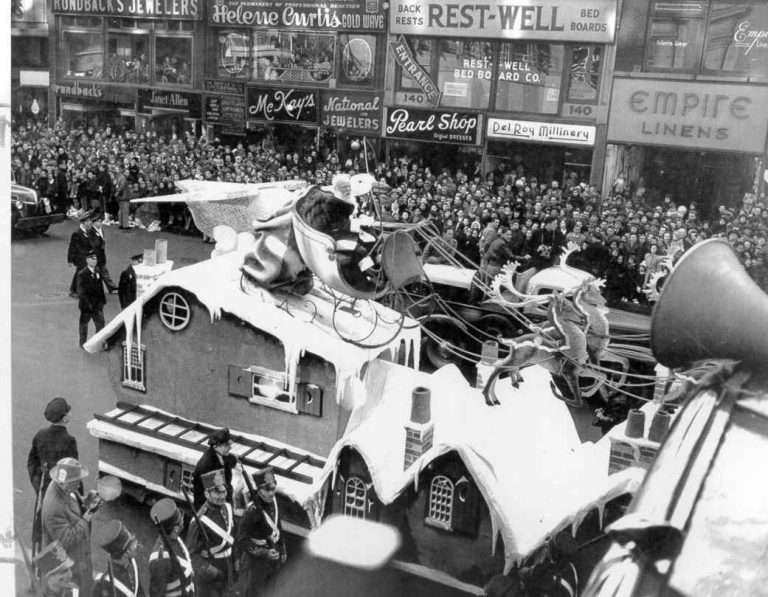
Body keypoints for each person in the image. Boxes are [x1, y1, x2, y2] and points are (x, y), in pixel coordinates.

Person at [41, 458, 99, 596]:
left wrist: (85, 501)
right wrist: (86, 517)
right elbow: (66, 540)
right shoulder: (54, 507)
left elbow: (73, 498)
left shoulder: (63, 486)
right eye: (76, 481)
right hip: (64, 570)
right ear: (66, 483)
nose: (79, 484)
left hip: (76, 560)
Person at [236, 467, 286, 597]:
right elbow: (242, 541)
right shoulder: (251, 511)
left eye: (273, 488)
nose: (271, 493)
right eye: (267, 490)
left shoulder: (273, 503)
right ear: (258, 490)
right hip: (254, 565)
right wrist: (264, 553)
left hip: (272, 562)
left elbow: (277, 526)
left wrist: (283, 548)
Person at [187, 469, 235, 597]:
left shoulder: (228, 508)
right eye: (217, 492)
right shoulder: (198, 521)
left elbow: (232, 538)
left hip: (228, 566)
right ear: (207, 494)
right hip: (209, 574)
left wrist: (235, 563)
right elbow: (192, 556)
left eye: (223, 491)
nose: (222, 496)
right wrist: (213, 572)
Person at [149, 498, 196, 597]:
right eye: (181, 519)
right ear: (176, 528)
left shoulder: (174, 539)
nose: (183, 520)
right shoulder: (160, 559)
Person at [92, 520, 145, 597]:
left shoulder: (132, 562)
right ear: (127, 552)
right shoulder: (104, 584)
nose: (138, 545)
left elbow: (138, 591)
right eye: (133, 544)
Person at [192, 429, 236, 510]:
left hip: (223, 502)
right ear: (215, 446)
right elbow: (215, 495)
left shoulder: (222, 454)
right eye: (226, 445)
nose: (230, 448)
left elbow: (232, 461)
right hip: (209, 508)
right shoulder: (207, 465)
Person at [76, 250, 107, 347]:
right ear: (87, 260)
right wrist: (88, 304)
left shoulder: (98, 271)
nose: (95, 261)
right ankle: (83, 343)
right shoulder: (82, 274)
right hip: (87, 305)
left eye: (96, 259)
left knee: (100, 324)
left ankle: (97, 342)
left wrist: (102, 300)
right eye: (92, 259)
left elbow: (100, 287)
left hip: (98, 304)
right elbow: (81, 292)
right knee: (84, 324)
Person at [67, 210, 95, 297]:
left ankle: (76, 289)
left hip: (87, 256)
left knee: (81, 273)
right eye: (89, 221)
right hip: (80, 257)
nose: (90, 223)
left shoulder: (89, 232)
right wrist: (70, 260)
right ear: (84, 222)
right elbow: (73, 247)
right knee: (80, 273)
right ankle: (76, 290)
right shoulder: (77, 233)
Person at [90, 211, 119, 293]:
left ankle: (112, 288)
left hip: (101, 256)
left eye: (100, 221)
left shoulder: (101, 230)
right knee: (96, 274)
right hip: (95, 257)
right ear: (93, 223)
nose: (100, 223)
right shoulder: (91, 232)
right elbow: (94, 244)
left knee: (104, 273)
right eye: (98, 222)